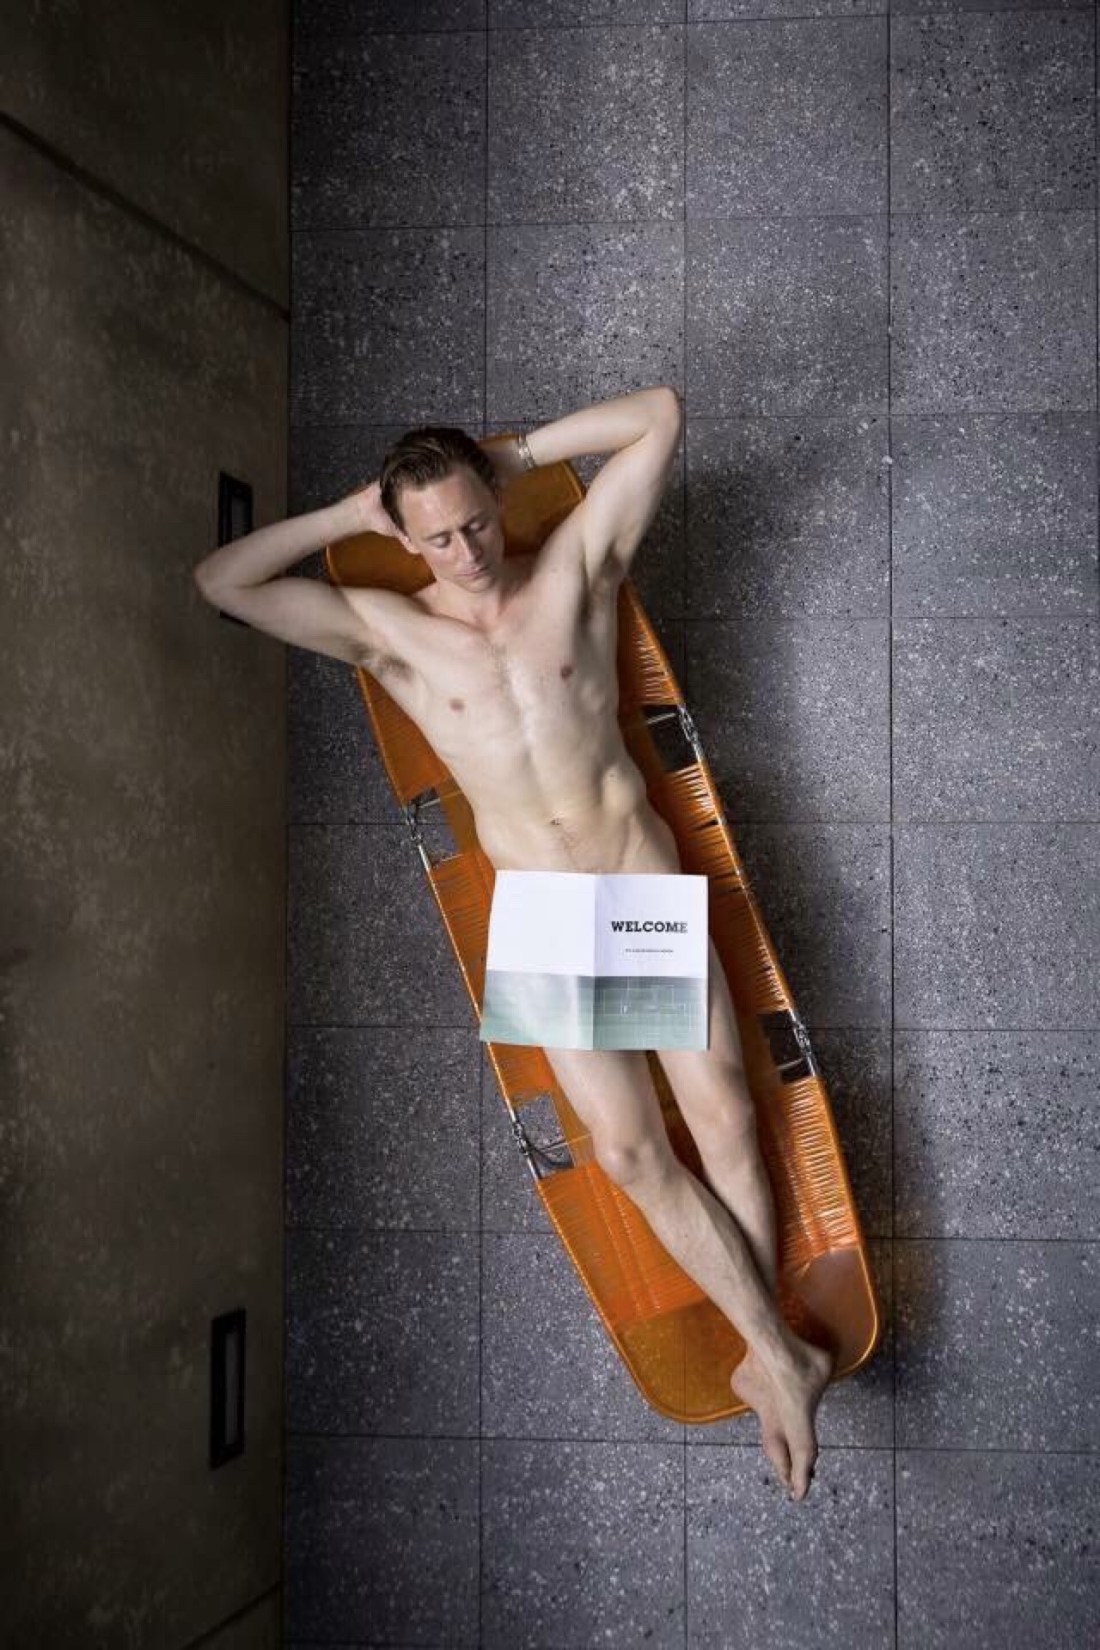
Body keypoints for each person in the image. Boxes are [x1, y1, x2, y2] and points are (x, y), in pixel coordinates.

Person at [193, 385, 833, 1500]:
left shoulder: (574, 570)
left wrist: (520, 452)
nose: (466, 551)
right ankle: (777, 1355)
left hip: (630, 871)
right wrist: (348, 517)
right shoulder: (390, 636)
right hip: (542, 911)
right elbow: (221, 583)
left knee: (726, 1113)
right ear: (406, 539)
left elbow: (661, 414)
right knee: (628, 1153)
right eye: (436, 537)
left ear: (496, 500)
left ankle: (772, 1354)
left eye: (476, 521)